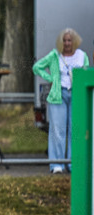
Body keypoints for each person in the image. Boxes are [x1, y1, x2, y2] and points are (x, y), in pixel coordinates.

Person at [33, 28, 89, 174]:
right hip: (58, 95)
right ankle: (56, 165)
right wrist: (51, 78)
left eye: (69, 40)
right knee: (57, 130)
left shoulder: (82, 56)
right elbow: (37, 67)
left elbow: (87, 74)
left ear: (74, 41)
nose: (67, 43)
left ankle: (73, 163)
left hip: (77, 95)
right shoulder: (54, 55)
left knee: (75, 130)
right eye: (64, 40)